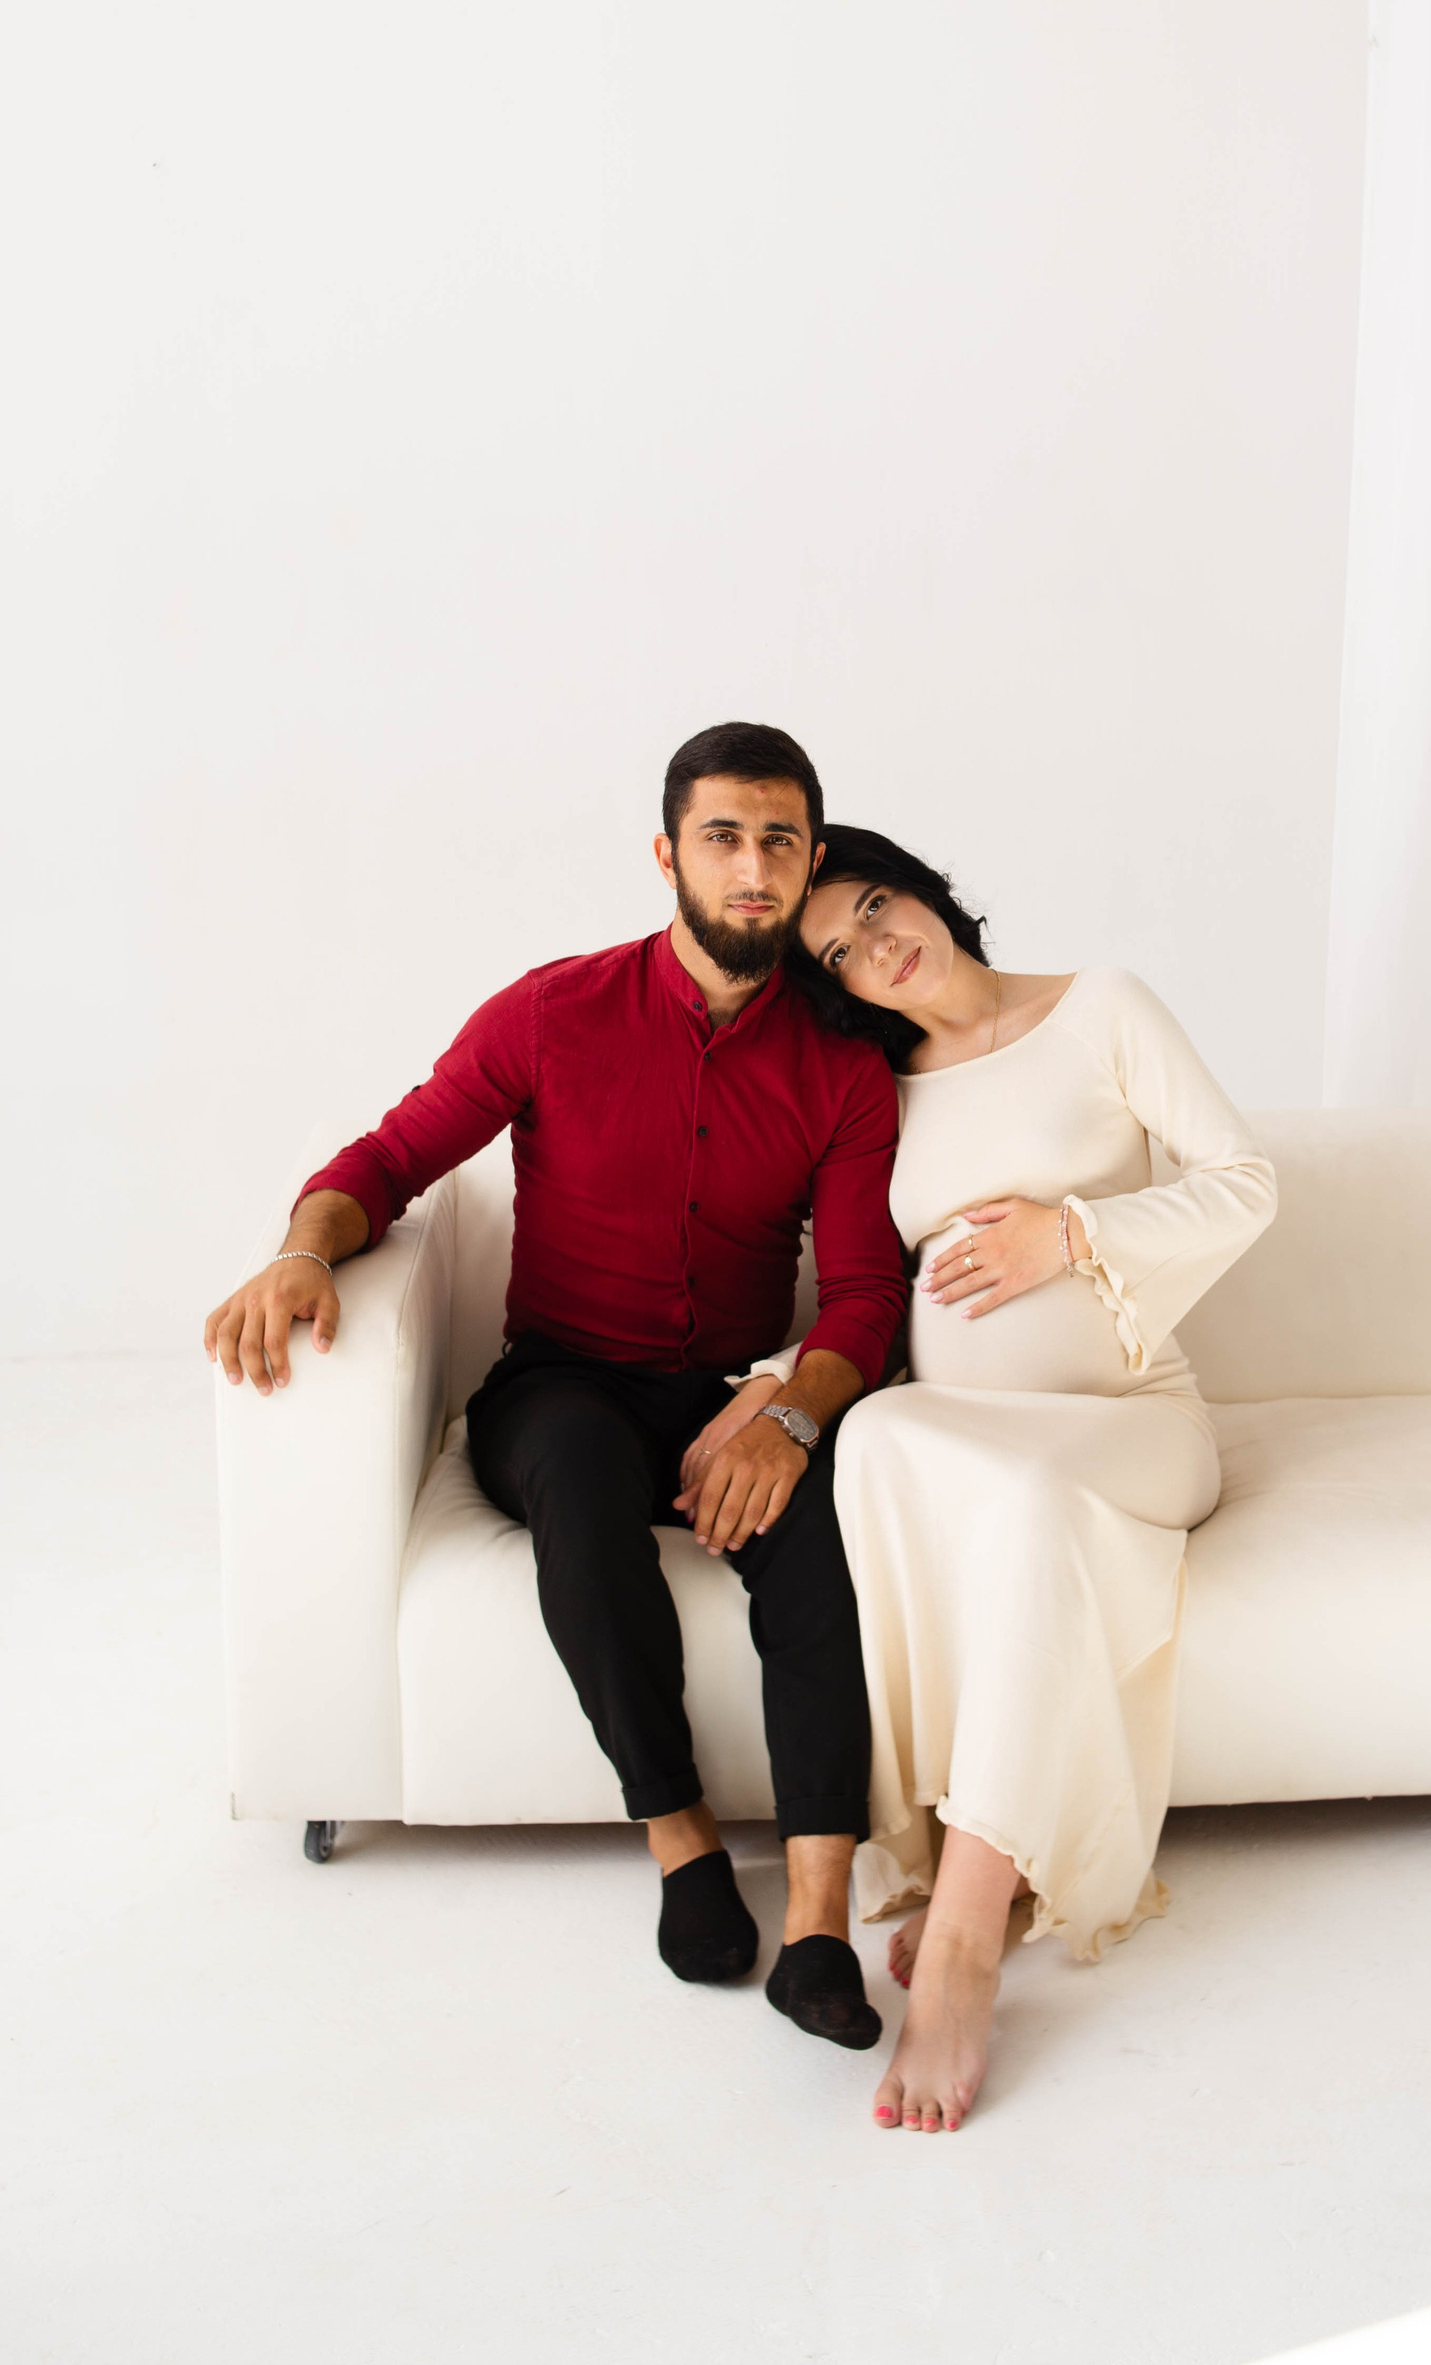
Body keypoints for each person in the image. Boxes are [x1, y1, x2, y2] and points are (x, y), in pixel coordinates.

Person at [203, 724, 907, 2052]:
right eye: (722, 837)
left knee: (821, 1546)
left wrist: (788, 1413)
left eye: (779, 842)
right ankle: (682, 1842)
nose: (752, 869)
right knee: (581, 1491)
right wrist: (302, 1251)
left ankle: (821, 1921)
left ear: (812, 861)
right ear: (668, 857)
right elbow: (391, 1158)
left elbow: (869, 1291)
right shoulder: (551, 1013)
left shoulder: (845, 1067)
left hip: (734, 1390)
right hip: (561, 1384)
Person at [780, 826, 1278, 2130]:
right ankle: (974, 1855)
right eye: (840, 954)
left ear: (925, 891)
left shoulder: (1101, 1007)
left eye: (876, 905)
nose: (877, 947)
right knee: (876, 1441)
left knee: (1039, 1500)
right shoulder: (882, 1092)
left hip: (1123, 1425)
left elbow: (1245, 1185)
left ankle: (964, 1942)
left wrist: (1074, 1234)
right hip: (965, 1435)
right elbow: (868, 1287)